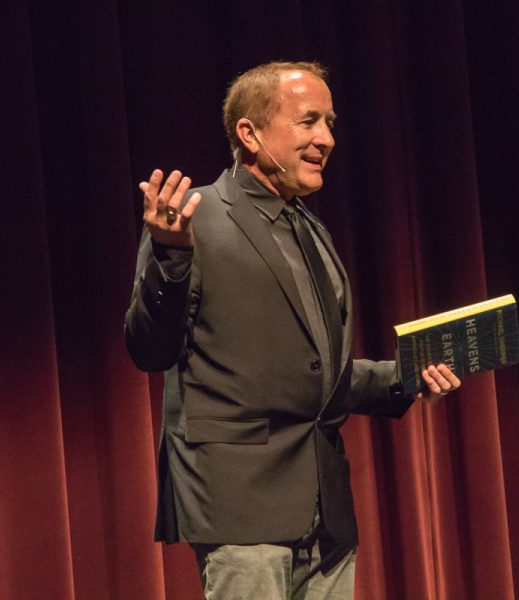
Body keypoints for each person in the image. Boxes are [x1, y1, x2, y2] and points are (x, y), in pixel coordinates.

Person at [124, 61, 460, 599]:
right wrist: (169, 256)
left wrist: (405, 377)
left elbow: (319, 376)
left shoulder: (309, 227)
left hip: (325, 511)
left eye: (330, 122)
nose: (326, 138)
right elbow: (150, 348)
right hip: (241, 505)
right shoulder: (197, 217)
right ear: (250, 134)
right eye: (308, 122)